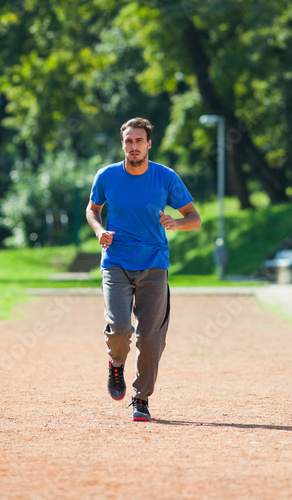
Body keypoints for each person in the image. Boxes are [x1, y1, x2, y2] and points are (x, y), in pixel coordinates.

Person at [86, 117, 201, 421]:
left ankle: (141, 399)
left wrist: (177, 223)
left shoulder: (165, 177)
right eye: (128, 141)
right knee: (120, 328)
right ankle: (116, 364)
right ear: (122, 144)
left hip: (154, 263)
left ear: (149, 144)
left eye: (139, 141)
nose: (133, 146)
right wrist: (99, 230)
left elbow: (194, 217)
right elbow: (93, 209)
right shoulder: (107, 176)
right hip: (116, 261)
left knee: (151, 337)